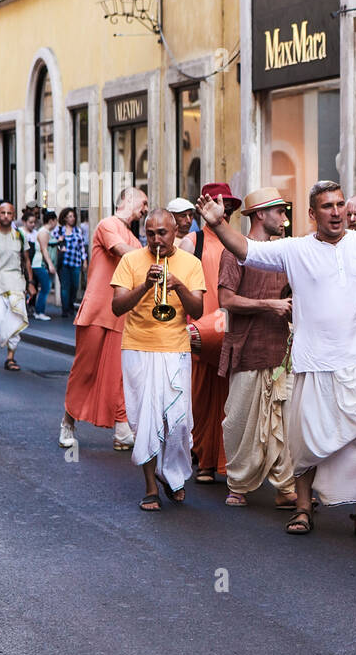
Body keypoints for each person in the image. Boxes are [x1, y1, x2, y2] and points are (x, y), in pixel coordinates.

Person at [196, 181, 356, 539]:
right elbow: (248, 251)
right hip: (313, 360)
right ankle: (302, 508)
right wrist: (219, 224)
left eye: (340, 204)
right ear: (312, 214)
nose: (336, 212)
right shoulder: (295, 249)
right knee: (304, 439)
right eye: (327, 206)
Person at [110, 210, 205, 511]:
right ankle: (151, 486)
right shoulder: (130, 261)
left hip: (175, 348)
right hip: (138, 348)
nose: (155, 240)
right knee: (146, 421)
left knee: (176, 421)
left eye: (162, 233)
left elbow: (199, 311)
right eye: (149, 233)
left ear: (176, 230)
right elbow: (116, 307)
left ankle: (171, 474)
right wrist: (145, 286)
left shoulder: (191, 264)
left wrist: (178, 286)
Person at [219, 187, 297, 510]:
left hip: (281, 349)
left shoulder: (286, 251)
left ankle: (286, 486)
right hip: (247, 349)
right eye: (279, 211)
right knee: (240, 421)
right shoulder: (234, 252)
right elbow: (226, 300)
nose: (285, 217)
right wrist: (269, 305)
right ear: (260, 214)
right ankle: (238, 482)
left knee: (285, 421)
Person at [59, 189, 148, 450]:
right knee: (84, 371)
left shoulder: (136, 239)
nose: (144, 210)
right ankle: (67, 422)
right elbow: (121, 251)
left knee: (120, 374)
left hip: (122, 314)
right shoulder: (107, 224)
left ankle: (121, 430)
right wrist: (156, 254)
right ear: (127, 199)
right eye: (143, 203)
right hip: (97, 309)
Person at [186, 184, 240, 484]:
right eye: (218, 203)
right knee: (201, 397)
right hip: (198, 330)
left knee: (231, 400)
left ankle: (227, 463)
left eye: (227, 204)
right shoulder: (192, 241)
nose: (224, 209)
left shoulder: (239, 241)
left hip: (229, 328)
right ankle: (204, 460)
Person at [0, 202, 35, 371]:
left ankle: (10, 357)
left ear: (13, 216)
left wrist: (30, 282)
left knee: (15, 319)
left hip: (17, 284)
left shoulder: (20, 236)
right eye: (2, 213)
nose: (5, 216)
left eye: (9, 213)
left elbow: (26, 260)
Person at [56, 208, 87, 318]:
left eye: (73, 216)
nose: (72, 218)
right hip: (64, 262)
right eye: (69, 216)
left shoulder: (78, 230)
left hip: (76, 262)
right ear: (64, 218)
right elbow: (52, 243)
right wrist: (59, 242)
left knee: (74, 286)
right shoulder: (59, 230)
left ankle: (71, 305)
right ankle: (65, 310)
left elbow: (82, 246)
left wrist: (84, 261)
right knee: (65, 287)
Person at [28, 211, 56, 320]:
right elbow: (44, 249)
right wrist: (50, 265)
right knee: (45, 288)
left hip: (41, 264)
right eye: (55, 221)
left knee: (44, 288)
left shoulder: (46, 232)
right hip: (40, 264)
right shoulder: (44, 232)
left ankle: (38, 311)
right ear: (51, 221)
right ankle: (39, 312)